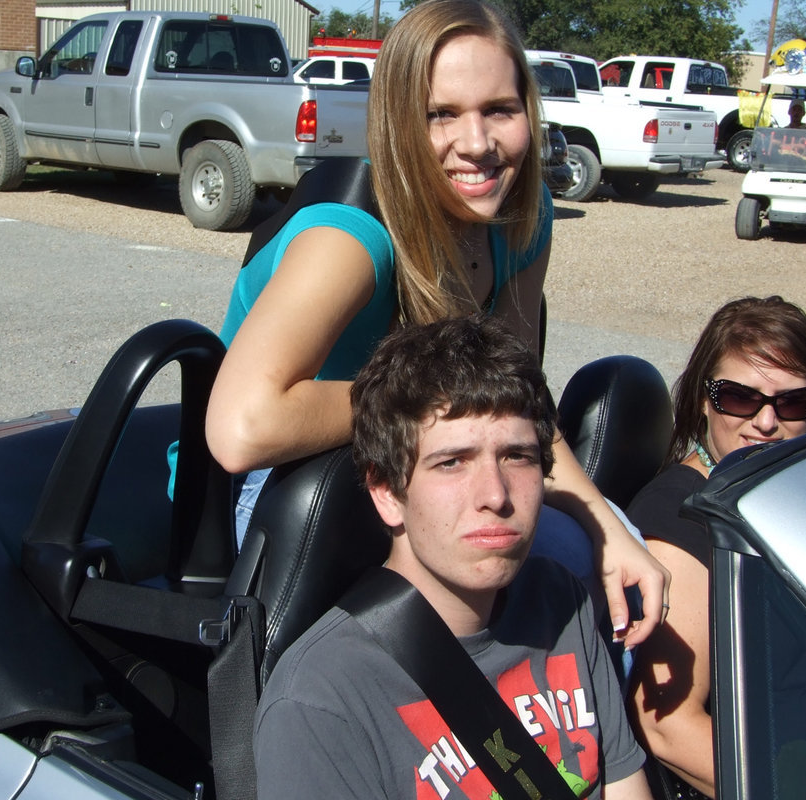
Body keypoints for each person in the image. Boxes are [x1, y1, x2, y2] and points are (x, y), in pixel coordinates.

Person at [204, 0, 668, 649]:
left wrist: (606, 525)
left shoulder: (522, 221)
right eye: (441, 115)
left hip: (422, 461)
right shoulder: (353, 238)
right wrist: (432, 405)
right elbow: (242, 429)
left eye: (499, 110)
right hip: (290, 492)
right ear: (397, 125)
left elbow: (512, 402)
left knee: (604, 562)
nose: (477, 144)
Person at [254, 314, 653, 800]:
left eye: (517, 456)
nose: (495, 494)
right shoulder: (322, 700)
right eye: (451, 462)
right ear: (386, 491)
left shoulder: (563, 604)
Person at [625, 296, 806, 799]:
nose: (765, 422)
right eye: (739, 398)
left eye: (792, 402)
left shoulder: (790, 494)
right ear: (702, 399)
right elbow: (667, 724)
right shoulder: (681, 523)